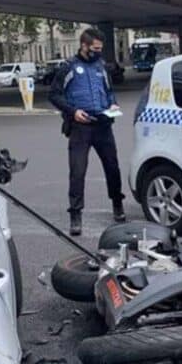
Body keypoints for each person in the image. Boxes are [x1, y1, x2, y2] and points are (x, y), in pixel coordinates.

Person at [49, 27, 125, 236]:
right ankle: (75, 214)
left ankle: (117, 204)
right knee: (77, 171)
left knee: (112, 167)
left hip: (103, 125)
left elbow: (109, 92)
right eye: (96, 48)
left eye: (100, 48)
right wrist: (73, 112)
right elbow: (54, 95)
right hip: (80, 127)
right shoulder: (69, 68)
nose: (99, 52)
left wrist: (113, 104)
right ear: (84, 46)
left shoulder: (102, 67)